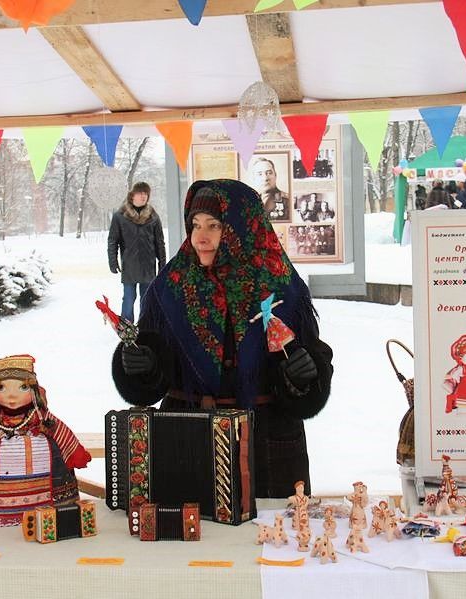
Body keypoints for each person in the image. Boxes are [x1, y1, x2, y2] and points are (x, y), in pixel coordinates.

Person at [112, 179, 334, 498]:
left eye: (214, 225)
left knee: (273, 542)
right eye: (195, 225)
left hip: (267, 446)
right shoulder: (170, 288)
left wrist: (302, 376)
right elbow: (153, 378)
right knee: (189, 540)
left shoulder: (282, 286)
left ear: (243, 226)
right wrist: (141, 366)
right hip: (187, 440)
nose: (200, 237)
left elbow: (311, 365)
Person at [0, 354, 90, 526]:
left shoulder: (39, 418)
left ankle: (53, 508)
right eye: (2, 388)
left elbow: (59, 430)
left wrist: (75, 453)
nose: (11, 396)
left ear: (34, 391)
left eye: (22, 388)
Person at [108, 182, 166, 323]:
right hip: (129, 266)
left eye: (146, 194)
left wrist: (162, 263)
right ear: (132, 195)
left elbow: (159, 242)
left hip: (148, 267)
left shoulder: (153, 216)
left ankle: (144, 325)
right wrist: (113, 261)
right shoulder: (120, 216)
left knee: (146, 299)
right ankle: (127, 327)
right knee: (129, 298)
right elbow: (112, 241)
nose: (143, 196)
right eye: (140, 193)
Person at [250, 156, 290, 222]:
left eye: (269, 173)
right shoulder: (249, 201)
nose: (265, 178)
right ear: (254, 178)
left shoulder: (288, 201)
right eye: (260, 174)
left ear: (275, 175)